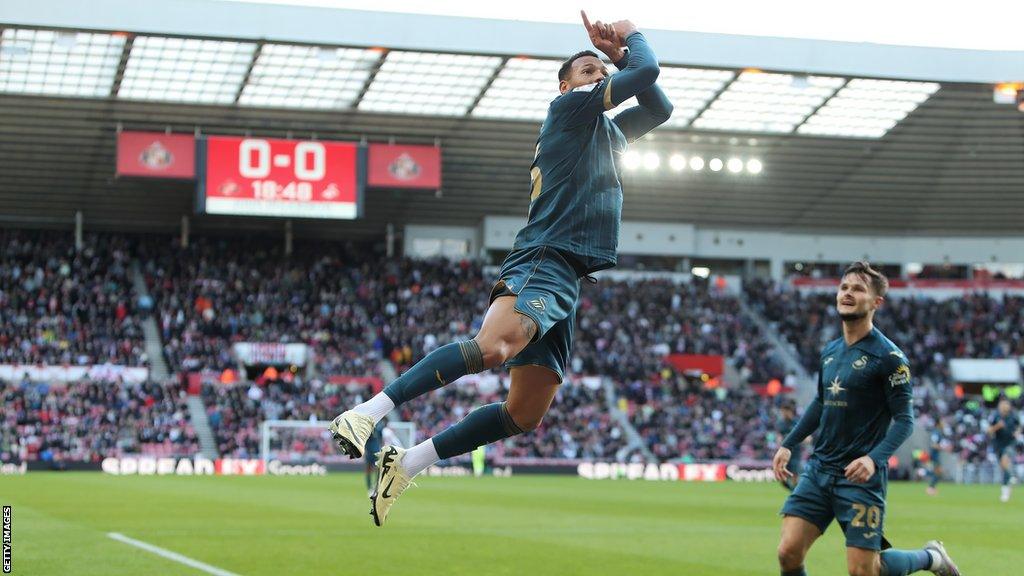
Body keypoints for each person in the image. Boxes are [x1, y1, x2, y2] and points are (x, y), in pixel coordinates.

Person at [328, 10, 672, 526]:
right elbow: (646, 76)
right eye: (587, 70)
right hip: (545, 256)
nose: (598, 77)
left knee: (523, 415)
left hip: (568, 275)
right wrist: (630, 40)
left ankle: (410, 462)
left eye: (602, 72)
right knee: (493, 348)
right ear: (564, 87)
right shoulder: (571, 111)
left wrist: (620, 59)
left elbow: (658, 107)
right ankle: (367, 413)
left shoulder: (605, 132)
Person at [772, 262, 961, 576]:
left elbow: (905, 420)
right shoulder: (830, 351)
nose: (848, 293)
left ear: (876, 302)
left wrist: (874, 459)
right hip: (820, 469)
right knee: (788, 553)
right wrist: (789, 443)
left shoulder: (890, 358)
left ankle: (931, 557)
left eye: (858, 289)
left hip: (860, 478)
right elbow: (821, 402)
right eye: (844, 287)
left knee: (864, 571)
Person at [987, 398, 1020, 503]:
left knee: (1005, 459)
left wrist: (1017, 432)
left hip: (1010, 443)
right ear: (999, 406)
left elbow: (1018, 426)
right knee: (1003, 467)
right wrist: (997, 426)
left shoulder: (1014, 416)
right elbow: (989, 430)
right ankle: (1005, 490)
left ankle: (1012, 475)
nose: (1005, 407)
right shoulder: (995, 416)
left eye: (1007, 404)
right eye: (1003, 405)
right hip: (998, 444)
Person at [777, 402, 803, 492]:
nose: (783, 414)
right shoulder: (781, 423)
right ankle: (794, 492)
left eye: (784, 411)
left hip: (795, 453)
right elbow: (779, 436)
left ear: (789, 411)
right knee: (782, 478)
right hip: (784, 453)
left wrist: (806, 438)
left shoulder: (798, 422)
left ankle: (796, 494)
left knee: (794, 476)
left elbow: (807, 437)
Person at [924, 419, 947, 496]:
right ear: (938, 424)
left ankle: (931, 487)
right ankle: (930, 487)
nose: (943, 424)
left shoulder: (938, 432)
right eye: (942, 422)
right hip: (934, 455)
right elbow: (933, 444)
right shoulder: (936, 432)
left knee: (938, 472)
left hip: (936, 455)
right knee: (938, 471)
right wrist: (942, 447)